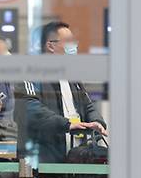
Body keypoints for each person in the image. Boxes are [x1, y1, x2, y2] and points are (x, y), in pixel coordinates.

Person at [17, 21, 106, 163]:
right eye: (68, 41)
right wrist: (66, 124)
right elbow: (32, 109)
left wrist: (97, 122)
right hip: (44, 159)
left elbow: (88, 105)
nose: (74, 45)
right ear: (50, 46)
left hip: (75, 156)